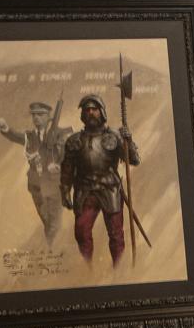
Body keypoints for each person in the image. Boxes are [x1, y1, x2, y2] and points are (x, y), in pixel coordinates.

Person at [59, 94, 140, 265]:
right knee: (81, 232)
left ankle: (119, 270)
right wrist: (65, 191)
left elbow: (134, 160)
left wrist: (129, 139)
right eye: (86, 109)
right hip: (84, 191)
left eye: (94, 109)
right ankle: (86, 270)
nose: (90, 112)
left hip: (110, 189)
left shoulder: (115, 136)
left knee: (116, 234)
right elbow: (67, 169)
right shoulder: (74, 141)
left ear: (101, 112)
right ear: (82, 114)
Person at [0, 100, 69, 247]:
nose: (36, 118)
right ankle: (53, 250)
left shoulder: (60, 134)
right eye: (34, 115)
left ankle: (54, 252)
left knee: (54, 223)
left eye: (40, 114)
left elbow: (67, 155)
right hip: (36, 185)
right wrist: (5, 128)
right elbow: (15, 136)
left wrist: (60, 165)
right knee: (46, 220)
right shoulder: (29, 136)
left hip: (54, 184)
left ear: (49, 116)